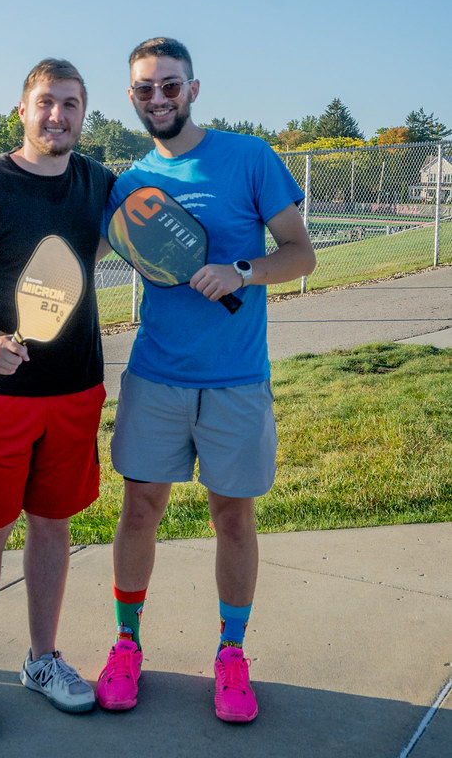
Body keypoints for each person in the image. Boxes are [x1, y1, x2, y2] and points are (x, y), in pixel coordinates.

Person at [96, 37, 315, 723]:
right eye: (143, 89)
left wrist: (243, 272)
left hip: (235, 382)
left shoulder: (249, 159)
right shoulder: (129, 184)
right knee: (138, 511)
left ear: (193, 89)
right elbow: (83, 253)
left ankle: (230, 653)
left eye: (169, 85)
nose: (157, 98)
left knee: (232, 517)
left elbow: (300, 253)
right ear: (131, 98)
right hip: (155, 377)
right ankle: (126, 645)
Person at [0, 58, 116, 737]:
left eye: (69, 104)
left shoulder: (99, 183)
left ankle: (42, 660)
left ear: (82, 114)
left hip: (76, 389)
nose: (56, 115)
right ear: (22, 108)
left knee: (53, 525)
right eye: (45, 102)